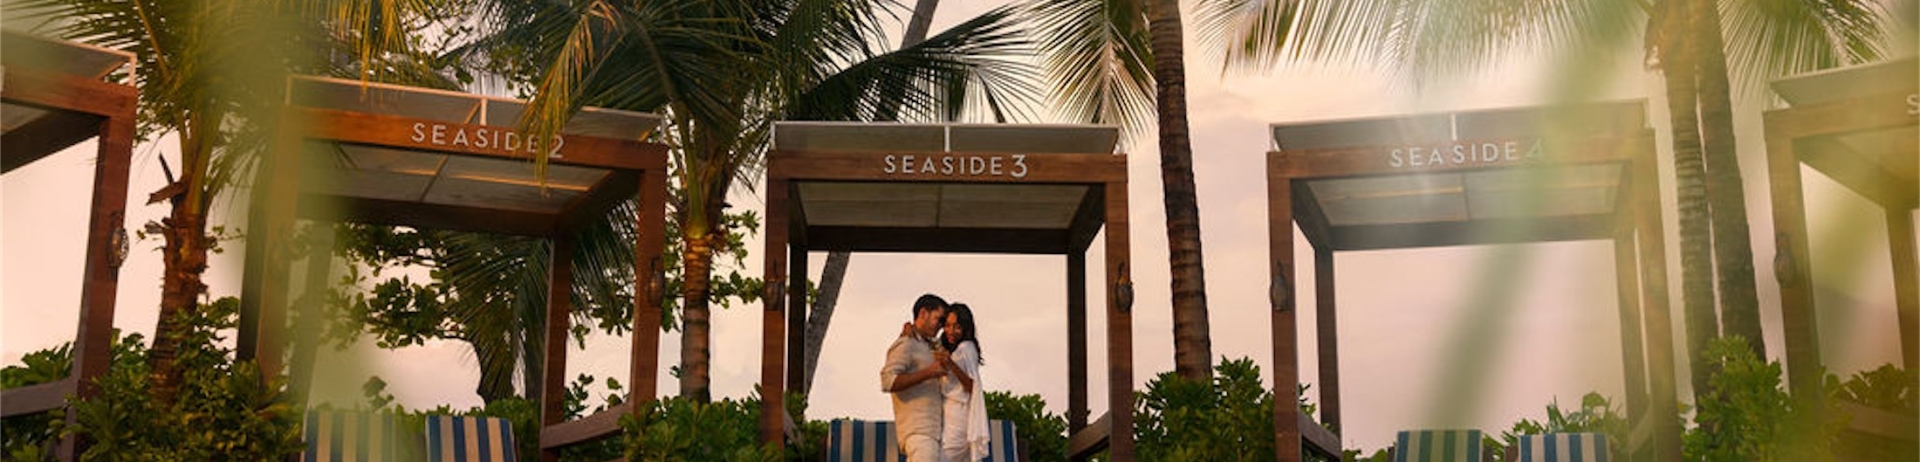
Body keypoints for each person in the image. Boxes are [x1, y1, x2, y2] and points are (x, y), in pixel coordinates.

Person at [882, 294, 950, 462]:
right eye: (939, 319)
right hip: (918, 431)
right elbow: (888, 381)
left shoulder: (934, 345)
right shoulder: (906, 344)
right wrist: (928, 372)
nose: (941, 326)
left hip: (937, 433)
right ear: (923, 313)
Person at [938, 303, 989, 462]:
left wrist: (951, 365)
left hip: (959, 414)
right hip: (950, 414)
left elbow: (972, 386)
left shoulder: (966, 348)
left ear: (965, 328)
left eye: (956, 327)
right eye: (947, 325)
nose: (950, 331)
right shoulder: (951, 349)